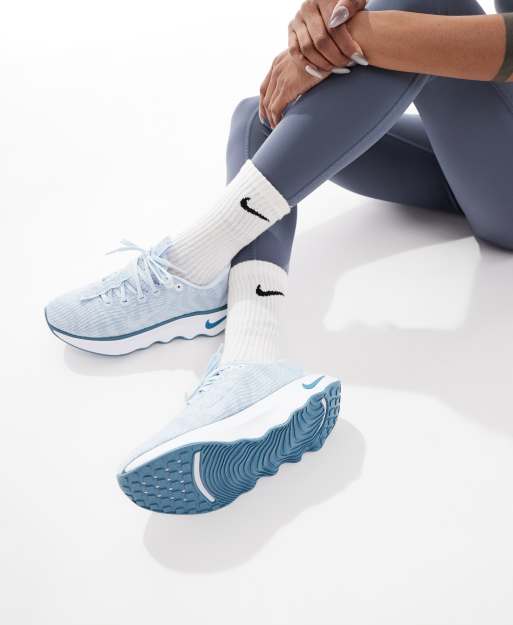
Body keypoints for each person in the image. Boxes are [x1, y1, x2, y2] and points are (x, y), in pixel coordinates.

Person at [45, 0, 513, 514]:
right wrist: (333, 14)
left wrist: (343, 40)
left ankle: (191, 260)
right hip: (486, 160)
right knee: (263, 119)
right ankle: (251, 362)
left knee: (425, 4)